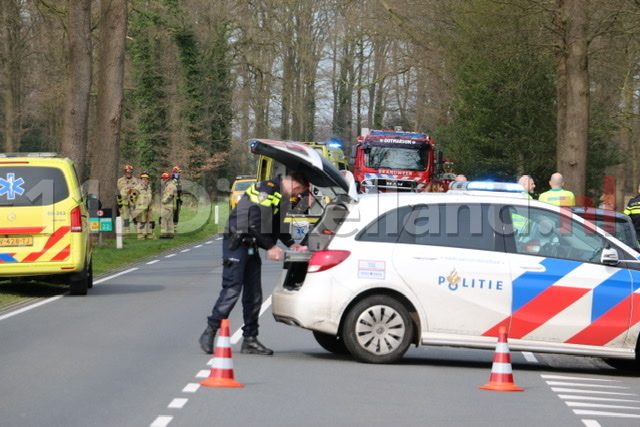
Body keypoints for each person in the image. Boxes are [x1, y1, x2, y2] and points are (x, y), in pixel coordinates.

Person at [199, 171, 310, 356]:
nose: (298, 196)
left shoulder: (281, 197)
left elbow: (277, 225)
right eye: (299, 192)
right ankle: (209, 332)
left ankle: (250, 339)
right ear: (296, 186)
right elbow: (253, 223)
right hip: (236, 242)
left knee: (254, 294)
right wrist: (271, 247)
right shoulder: (266, 190)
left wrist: (292, 244)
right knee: (232, 289)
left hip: (251, 245)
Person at [130, 171, 155, 240]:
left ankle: (149, 235)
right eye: (143, 179)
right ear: (141, 179)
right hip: (140, 208)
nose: (145, 180)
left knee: (149, 221)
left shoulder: (149, 187)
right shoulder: (137, 188)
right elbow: (132, 198)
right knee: (141, 222)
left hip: (149, 208)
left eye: (146, 179)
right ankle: (141, 236)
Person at [116, 165, 139, 232]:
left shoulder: (136, 181)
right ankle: (125, 233)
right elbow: (117, 192)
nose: (129, 173)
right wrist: (119, 204)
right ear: (124, 172)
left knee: (136, 219)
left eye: (130, 171)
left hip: (134, 203)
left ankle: (140, 233)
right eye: (127, 172)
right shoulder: (119, 181)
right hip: (124, 203)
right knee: (125, 219)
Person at [159, 172, 177, 239]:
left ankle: (163, 234)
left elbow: (170, 196)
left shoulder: (170, 186)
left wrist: (164, 201)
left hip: (167, 206)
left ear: (166, 179)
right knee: (169, 220)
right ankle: (170, 234)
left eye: (163, 179)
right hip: (170, 206)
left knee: (163, 219)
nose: (162, 181)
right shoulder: (170, 185)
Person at [171, 166, 183, 231]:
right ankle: (171, 227)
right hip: (173, 200)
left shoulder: (178, 181)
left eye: (179, 172)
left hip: (178, 199)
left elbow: (180, 191)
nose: (179, 174)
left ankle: (174, 227)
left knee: (176, 213)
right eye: (178, 172)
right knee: (173, 213)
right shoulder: (173, 181)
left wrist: (180, 199)